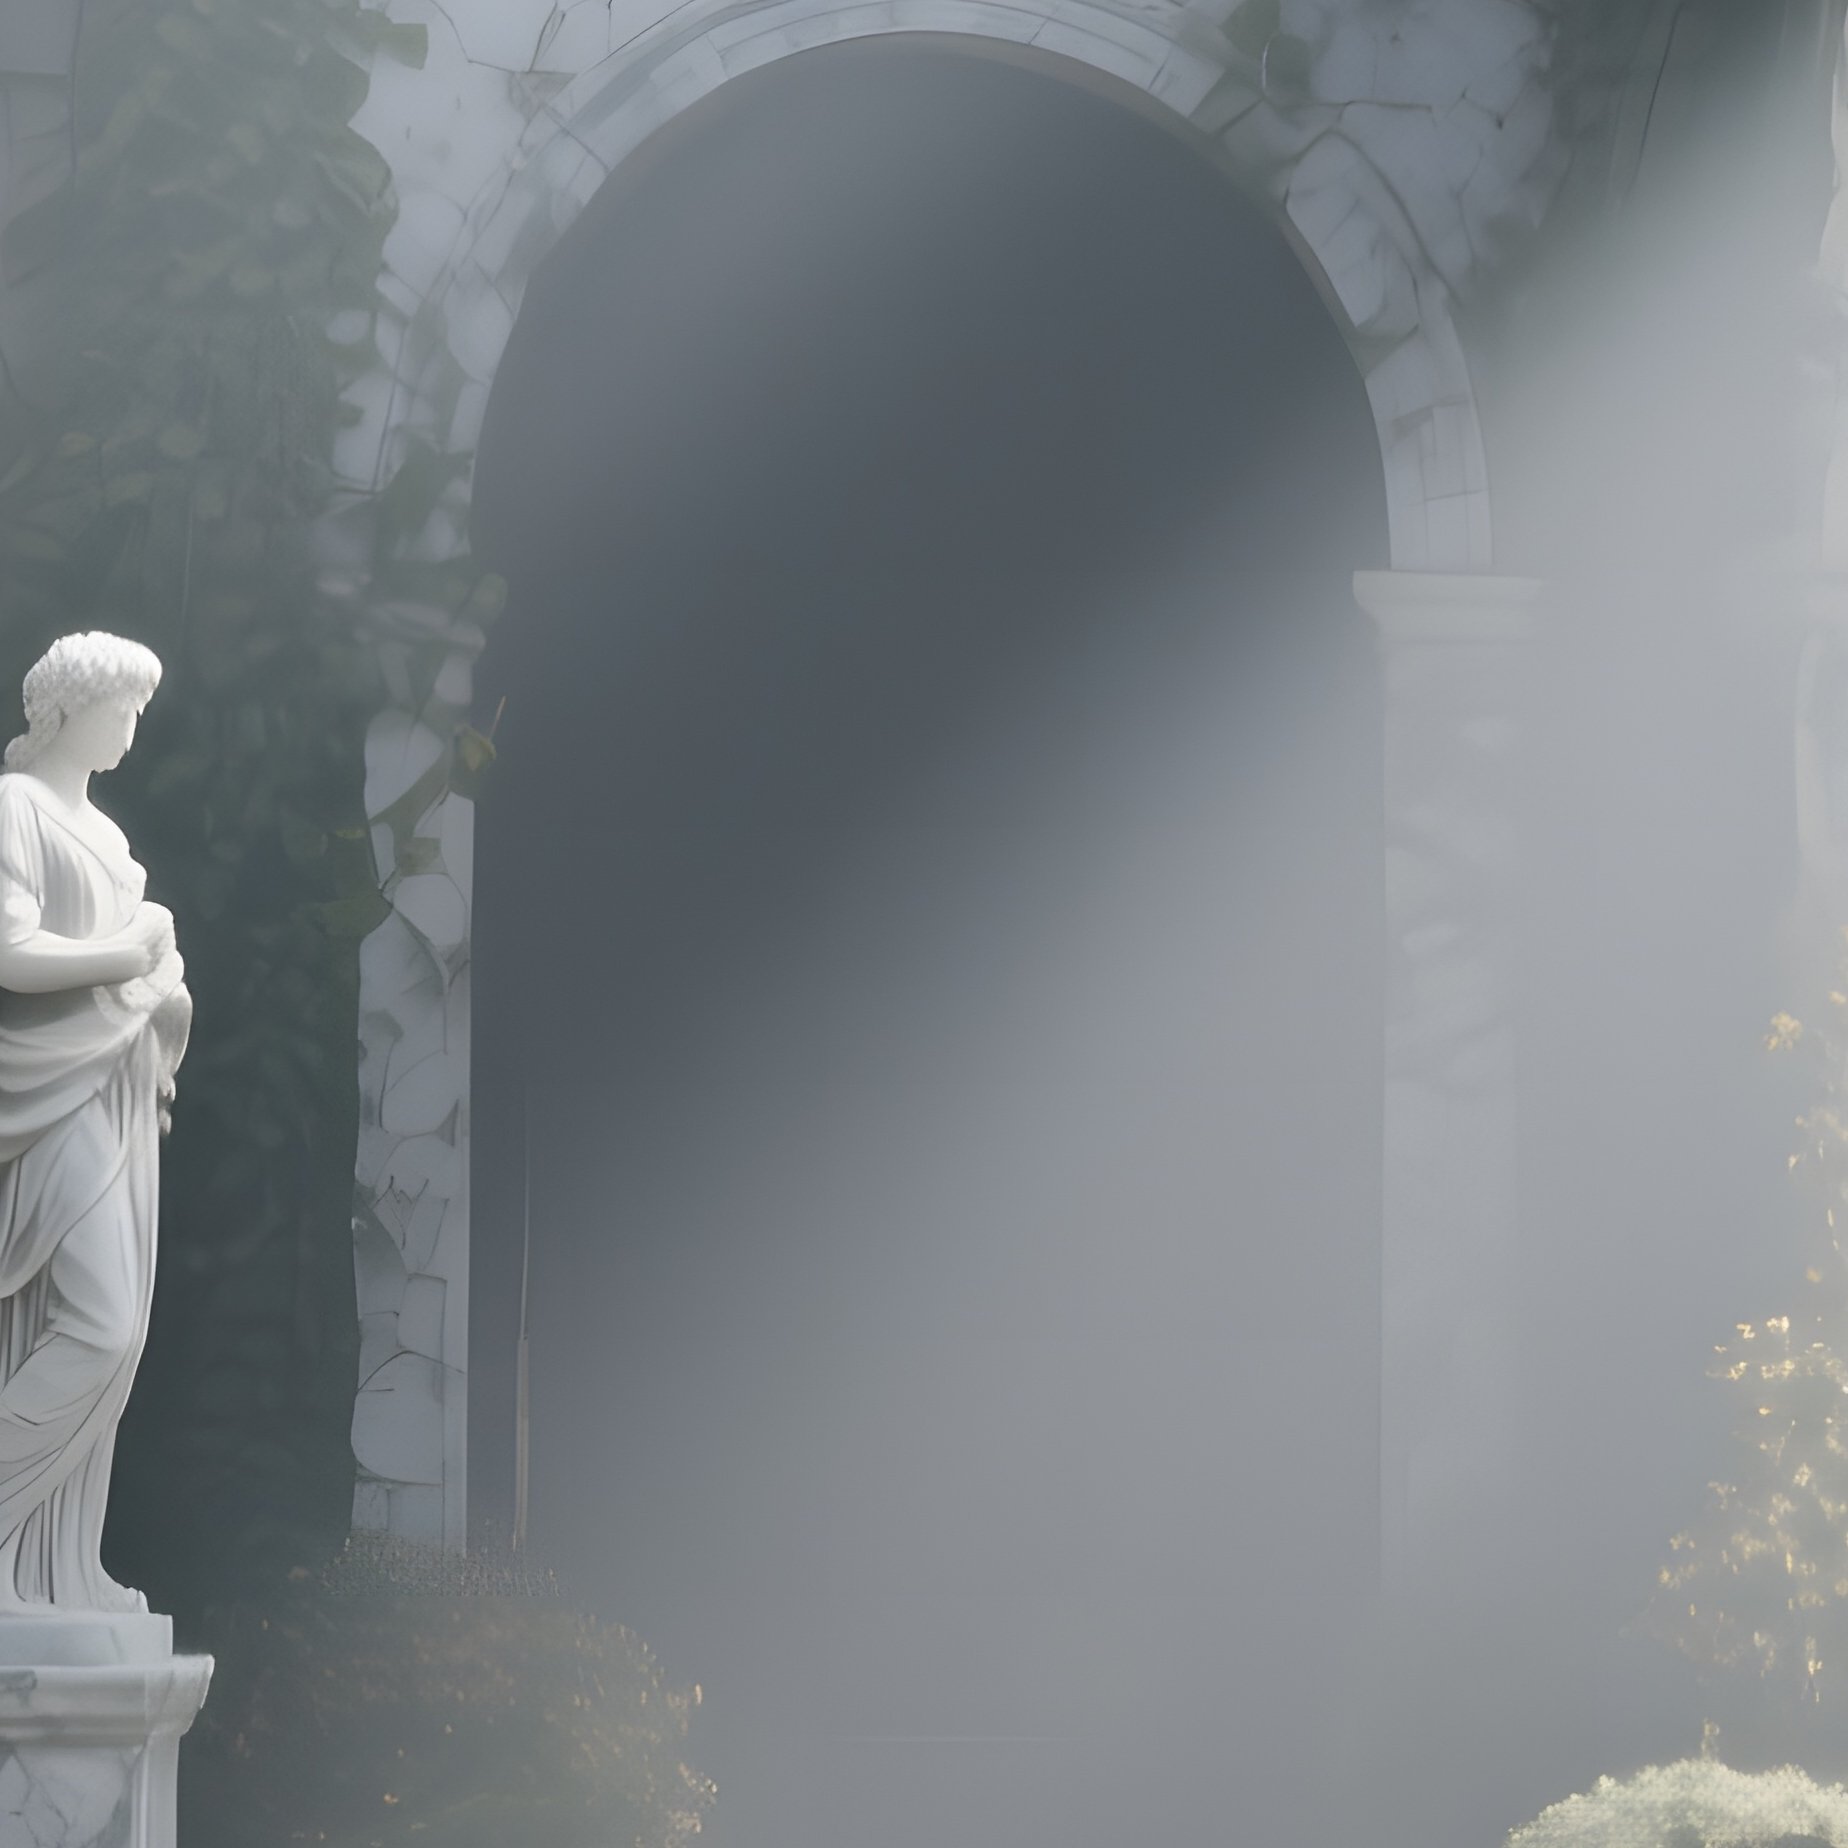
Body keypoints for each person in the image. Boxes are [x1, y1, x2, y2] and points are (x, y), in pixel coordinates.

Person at [0, 631, 190, 1611]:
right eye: (123, 707)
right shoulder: (17, 810)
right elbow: (13, 955)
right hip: (52, 1094)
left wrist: (165, 989)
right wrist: (130, 952)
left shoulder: (111, 843)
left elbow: (143, 969)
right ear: (67, 709)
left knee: (118, 1334)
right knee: (100, 1324)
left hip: (116, 1086)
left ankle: (55, 1570)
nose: (132, 726)